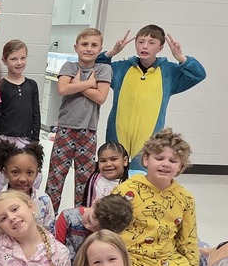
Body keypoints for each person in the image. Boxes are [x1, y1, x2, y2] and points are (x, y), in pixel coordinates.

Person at [113, 128, 200, 266]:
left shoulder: (185, 198)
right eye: (159, 158)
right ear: (146, 160)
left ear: (180, 167)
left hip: (167, 259)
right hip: (131, 257)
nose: (165, 164)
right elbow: (110, 228)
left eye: (173, 160)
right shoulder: (126, 190)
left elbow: (188, 238)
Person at [97, 24, 206, 169]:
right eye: (141, 42)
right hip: (118, 130)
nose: (145, 46)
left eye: (151, 43)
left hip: (149, 136)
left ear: (160, 48)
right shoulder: (121, 68)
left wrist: (181, 58)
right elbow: (96, 67)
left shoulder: (169, 72)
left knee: (141, 176)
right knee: (113, 173)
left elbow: (198, 74)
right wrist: (112, 52)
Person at [45, 28, 111, 212]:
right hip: (65, 129)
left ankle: (80, 218)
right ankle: (49, 219)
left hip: (88, 131)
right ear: (76, 47)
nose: (88, 49)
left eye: (94, 45)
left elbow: (100, 97)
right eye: (84, 44)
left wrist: (75, 84)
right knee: (55, 179)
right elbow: (62, 89)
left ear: (100, 48)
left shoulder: (104, 69)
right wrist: (89, 83)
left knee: (84, 181)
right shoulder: (69, 66)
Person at [0, 39, 42, 194]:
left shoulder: (31, 85)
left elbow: (35, 113)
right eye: (14, 59)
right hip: (4, 138)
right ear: (5, 60)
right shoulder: (0, 85)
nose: (19, 62)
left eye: (22, 58)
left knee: (31, 173)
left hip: (25, 138)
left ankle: (27, 202)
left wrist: (35, 138)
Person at [0, 139, 55, 246]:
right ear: (5, 172)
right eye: (15, 172)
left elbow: (50, 233)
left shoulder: (43, 200)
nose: (23, 179)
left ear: (37, 172)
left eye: (29, 172)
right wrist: (7, 250)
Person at [54, 193, 133, 263]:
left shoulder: (109, 236)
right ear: (95, 202)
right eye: (89, 219)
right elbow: (56, 250)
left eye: (95, 230)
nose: (88, 226)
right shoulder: (67, 217)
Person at [86, 141, 129, 206]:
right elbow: (91, 209)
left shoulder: (134, 179)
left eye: (113, 159)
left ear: (125, 161)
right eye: (103, 161)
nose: (108, 164)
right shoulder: (95, 180)